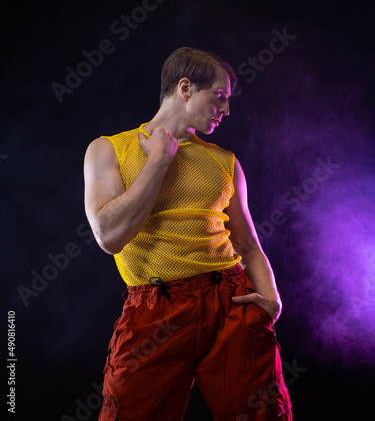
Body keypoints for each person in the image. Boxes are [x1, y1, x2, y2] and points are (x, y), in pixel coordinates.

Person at [83, 47, 292, 421]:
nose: (226, 110)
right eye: (220, 96)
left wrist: (272, 301)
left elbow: (247, 244)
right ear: (185, 87)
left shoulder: (224, 161)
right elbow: (109, 236)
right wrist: (159, 162)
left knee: (264, 416)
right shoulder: (108, 149)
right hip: (155, 309)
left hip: (230, 302)